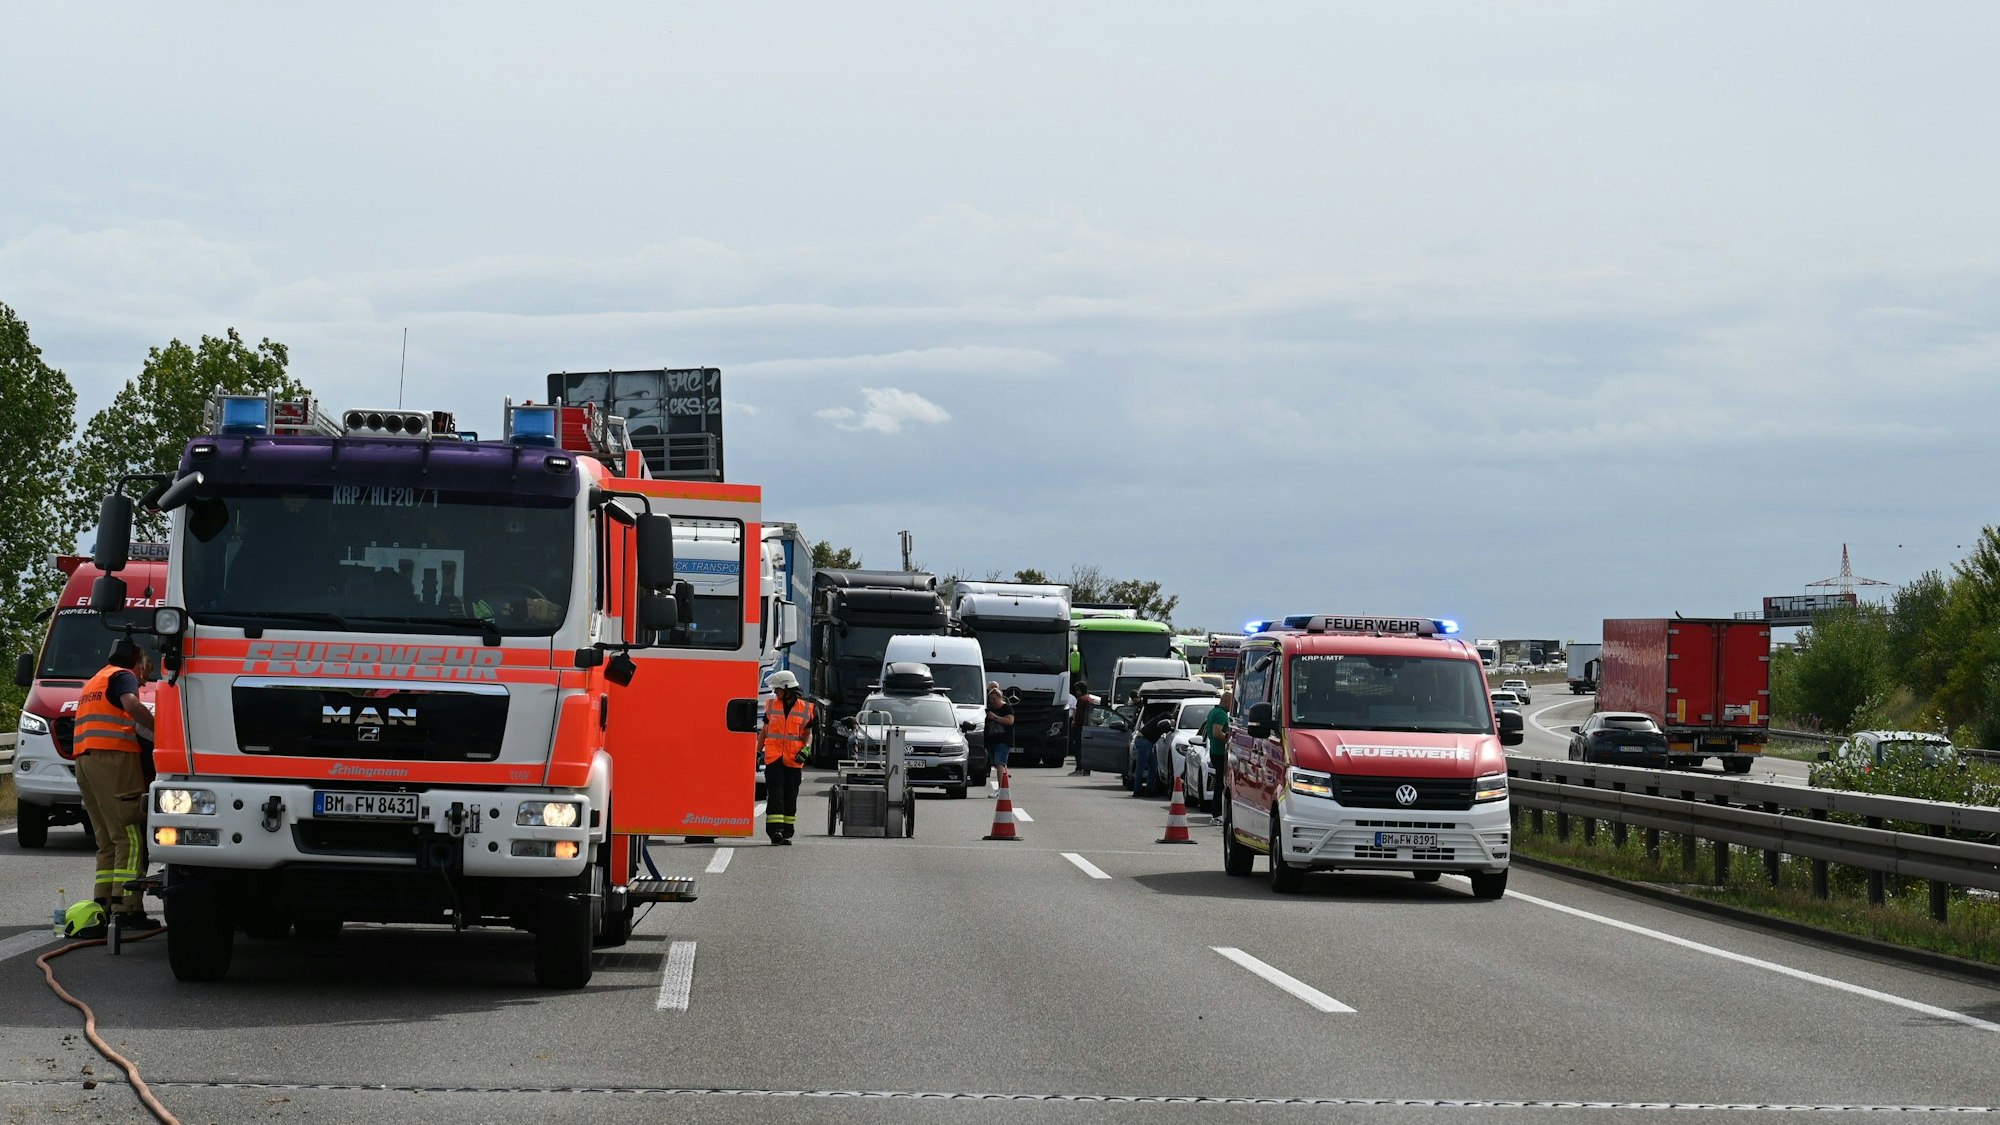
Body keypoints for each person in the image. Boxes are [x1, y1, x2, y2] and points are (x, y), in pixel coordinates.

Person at [73, 639, 157, 931]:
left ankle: (103, 904)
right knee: (129, 835)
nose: (144, 680)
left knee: (107, 839)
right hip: (113, 759)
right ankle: (127, 908)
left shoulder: (95, 680)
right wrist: (163, 731)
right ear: (137, 662)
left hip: (85, 762)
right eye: (146, 670)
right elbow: (131, 704)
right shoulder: (123, 675)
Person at [758, 670, 814, 844]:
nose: (775, 693)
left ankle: (787, 833)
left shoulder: (806, 708)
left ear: (787, 689)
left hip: (794, 759)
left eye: (778, 690)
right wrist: (757, 752)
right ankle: (775, 832)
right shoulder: (772, 706)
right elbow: (764, 731)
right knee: (775, 795)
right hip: (774, 759)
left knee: (790, 795)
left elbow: (808, 734)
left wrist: (806, 749)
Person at [1203, 691, 1235, 819]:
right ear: (1227, 702)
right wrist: (1229, 741)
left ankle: (1218, 812)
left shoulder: (1214, 712)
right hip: (1219, 752)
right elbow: (1217, 733)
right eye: (1232, 703)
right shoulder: (1220, 714)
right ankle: (1217, 814)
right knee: (1220, 784)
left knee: (1220, 783)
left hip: (1216, 751)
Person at [983, 683, 1015, 796]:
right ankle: (1004, 788)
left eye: (994, 699)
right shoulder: (991, 709)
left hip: (1003, 740)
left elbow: (1010, 721)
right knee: (998, 764)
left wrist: (996, 718)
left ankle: (1001, 789)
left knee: (999, 763)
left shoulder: (1006, 708)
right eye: (990, 699)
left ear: (1000, 698)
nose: (992, 701)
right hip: (992, 741)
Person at [1066, 680, 1094, 776]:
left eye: (1077, 690)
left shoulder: (1082, 700)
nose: (1076, 692)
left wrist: (1074, 724)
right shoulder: (1089, 699)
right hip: (1088, 728)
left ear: (1080, 690)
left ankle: (1079, 768)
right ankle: (1086, 769)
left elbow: (1079, 716)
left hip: (1080, 729)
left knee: (1078, 749)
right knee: (1086, 750)